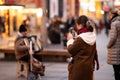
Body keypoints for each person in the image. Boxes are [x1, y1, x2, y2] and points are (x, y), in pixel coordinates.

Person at [67, 15, 99, 80]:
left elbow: (71, 50)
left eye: (77, 25)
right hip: (88, 68)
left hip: (78, 69)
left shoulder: (80, 38)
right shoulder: (92, 36)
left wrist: (70, 40)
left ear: (80, 25)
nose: (77, 27)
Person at [107, 8, 120, 80]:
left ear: (112, 15)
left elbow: (113, 38)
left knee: (116, 71)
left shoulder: (114, 23)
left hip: (115, 49)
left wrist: (108, 45)